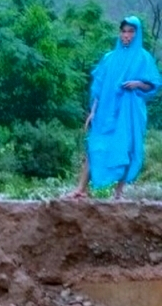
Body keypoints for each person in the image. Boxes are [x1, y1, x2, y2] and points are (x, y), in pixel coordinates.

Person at [66, 15, 162, 199]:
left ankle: (119, 192)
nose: (126, 35)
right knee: (94, 146)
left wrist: (138, 84)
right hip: (105, 112)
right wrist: (93, 112)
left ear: (137, 34)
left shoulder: (143, 58)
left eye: (131, 32)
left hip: (129, 112)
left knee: (125, 148)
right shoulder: (109, 59)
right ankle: (80, 189)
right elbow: (99, 88)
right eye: (123, 31)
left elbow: (154, 84)